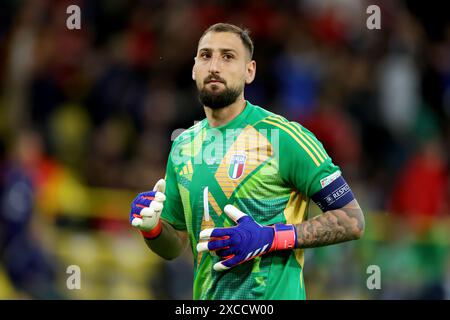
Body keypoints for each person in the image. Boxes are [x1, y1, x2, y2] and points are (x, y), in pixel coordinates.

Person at [129, 23, 365, 300]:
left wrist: (271, 237)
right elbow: (175, 246)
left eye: (228, 56)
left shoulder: (283, 138)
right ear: (194, 69)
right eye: (206, 56)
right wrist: (154, 228)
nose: (214, 66)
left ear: (249, 71)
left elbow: (352, 221)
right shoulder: (183, 145)